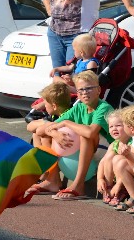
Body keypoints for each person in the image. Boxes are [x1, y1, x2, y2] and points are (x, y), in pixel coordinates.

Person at [33, 71, 112, 200]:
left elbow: (90, 132)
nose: (85, 93)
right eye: (81, 90)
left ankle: (79, 186)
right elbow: (41, 130)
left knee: (85, 135)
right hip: (89, 149)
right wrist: (55, 133)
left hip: (108, 152)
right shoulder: (79, 107)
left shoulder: (103, 107)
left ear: (98, 90)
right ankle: (53, 181)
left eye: (89, 89)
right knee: (50, 135)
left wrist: (66, 122)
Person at [24, 81, 73, 195]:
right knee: (36, 134)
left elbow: (41, 130)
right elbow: (30, 126)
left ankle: (52, 180)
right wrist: (45, 123)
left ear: (54, 106)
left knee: (44, 136)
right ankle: (46, 174)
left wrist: (45, 126)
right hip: (63, 151)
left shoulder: (67, 115)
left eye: (45, 104)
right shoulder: (53, 115)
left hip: (69, 152)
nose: (44, 107)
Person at [97, 108, 130, 206]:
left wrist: (119, 184)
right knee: (109, 156)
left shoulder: (131, 143)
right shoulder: (114, 144)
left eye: (118, 125)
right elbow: (102, 162)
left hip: (127, 179)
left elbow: (129, 166)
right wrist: (100, 179)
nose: (114, 129)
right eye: (111, 126)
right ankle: (109, 186)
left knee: (120, 160)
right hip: (114, 179)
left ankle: (120, 190)